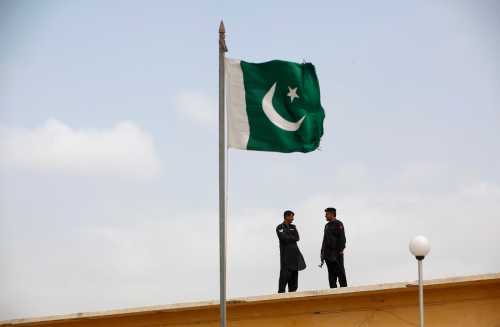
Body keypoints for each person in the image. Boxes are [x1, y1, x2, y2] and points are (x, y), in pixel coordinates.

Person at [276, 210, 306, 293]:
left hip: (295, 258)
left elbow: (297, 238)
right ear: (286, 217)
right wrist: (291, 237)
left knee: (294, 285)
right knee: (283, 283)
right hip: (285, 259)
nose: (293, 219)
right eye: (291, 216)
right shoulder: (280, 227)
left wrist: (289, 236)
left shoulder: (293, 227)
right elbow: (283, 238)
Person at [320, 207, 347, 288]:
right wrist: (322, 253)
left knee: (340, 272)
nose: (325, 216)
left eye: (327, 214)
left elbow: (342, 238)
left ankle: (344, 291)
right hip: (328, 255)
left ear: (332, 214)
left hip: (337, 253)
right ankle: (333, 291)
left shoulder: (339, 223)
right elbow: (324, 240)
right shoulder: (327, 226)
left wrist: (341, 249)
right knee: (331, 275)